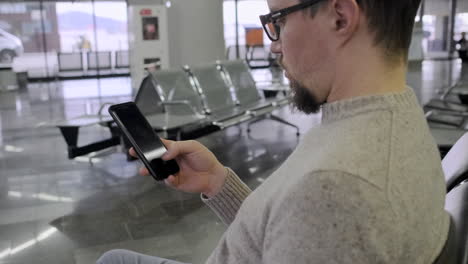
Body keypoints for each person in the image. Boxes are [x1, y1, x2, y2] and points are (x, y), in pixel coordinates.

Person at [98, 0, 449, 263]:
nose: (274, 44)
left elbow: (319, 214)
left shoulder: (336, 188)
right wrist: (217, 183)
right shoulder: (395, 114)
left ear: (340, 16)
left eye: (278, 20)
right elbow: (290, 231)